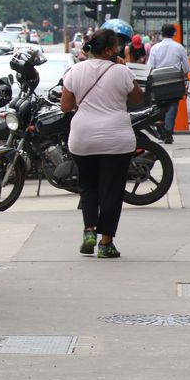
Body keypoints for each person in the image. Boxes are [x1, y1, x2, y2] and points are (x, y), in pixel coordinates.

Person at [60, 29, 145, 258]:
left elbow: (65, 106)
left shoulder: (75, 70)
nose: (117, 50)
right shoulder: (121, 71)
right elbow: (137, 98)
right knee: (112, 191)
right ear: (108, 50)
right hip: (116, 139)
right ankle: (106, 243)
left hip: (82, 138)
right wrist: (123, 68)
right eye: (115, 47)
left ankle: (89, 231)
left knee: (88, 187)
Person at [145, 23, 189, 144]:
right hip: (175, 80)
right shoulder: (179, 47)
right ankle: (168, 130)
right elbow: (186, 68)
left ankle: (160, 124)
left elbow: (149, 66)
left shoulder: (155, 48)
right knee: (173, 105)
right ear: (174, 33)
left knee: (159, 104)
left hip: (158, 80)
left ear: (161, 33)